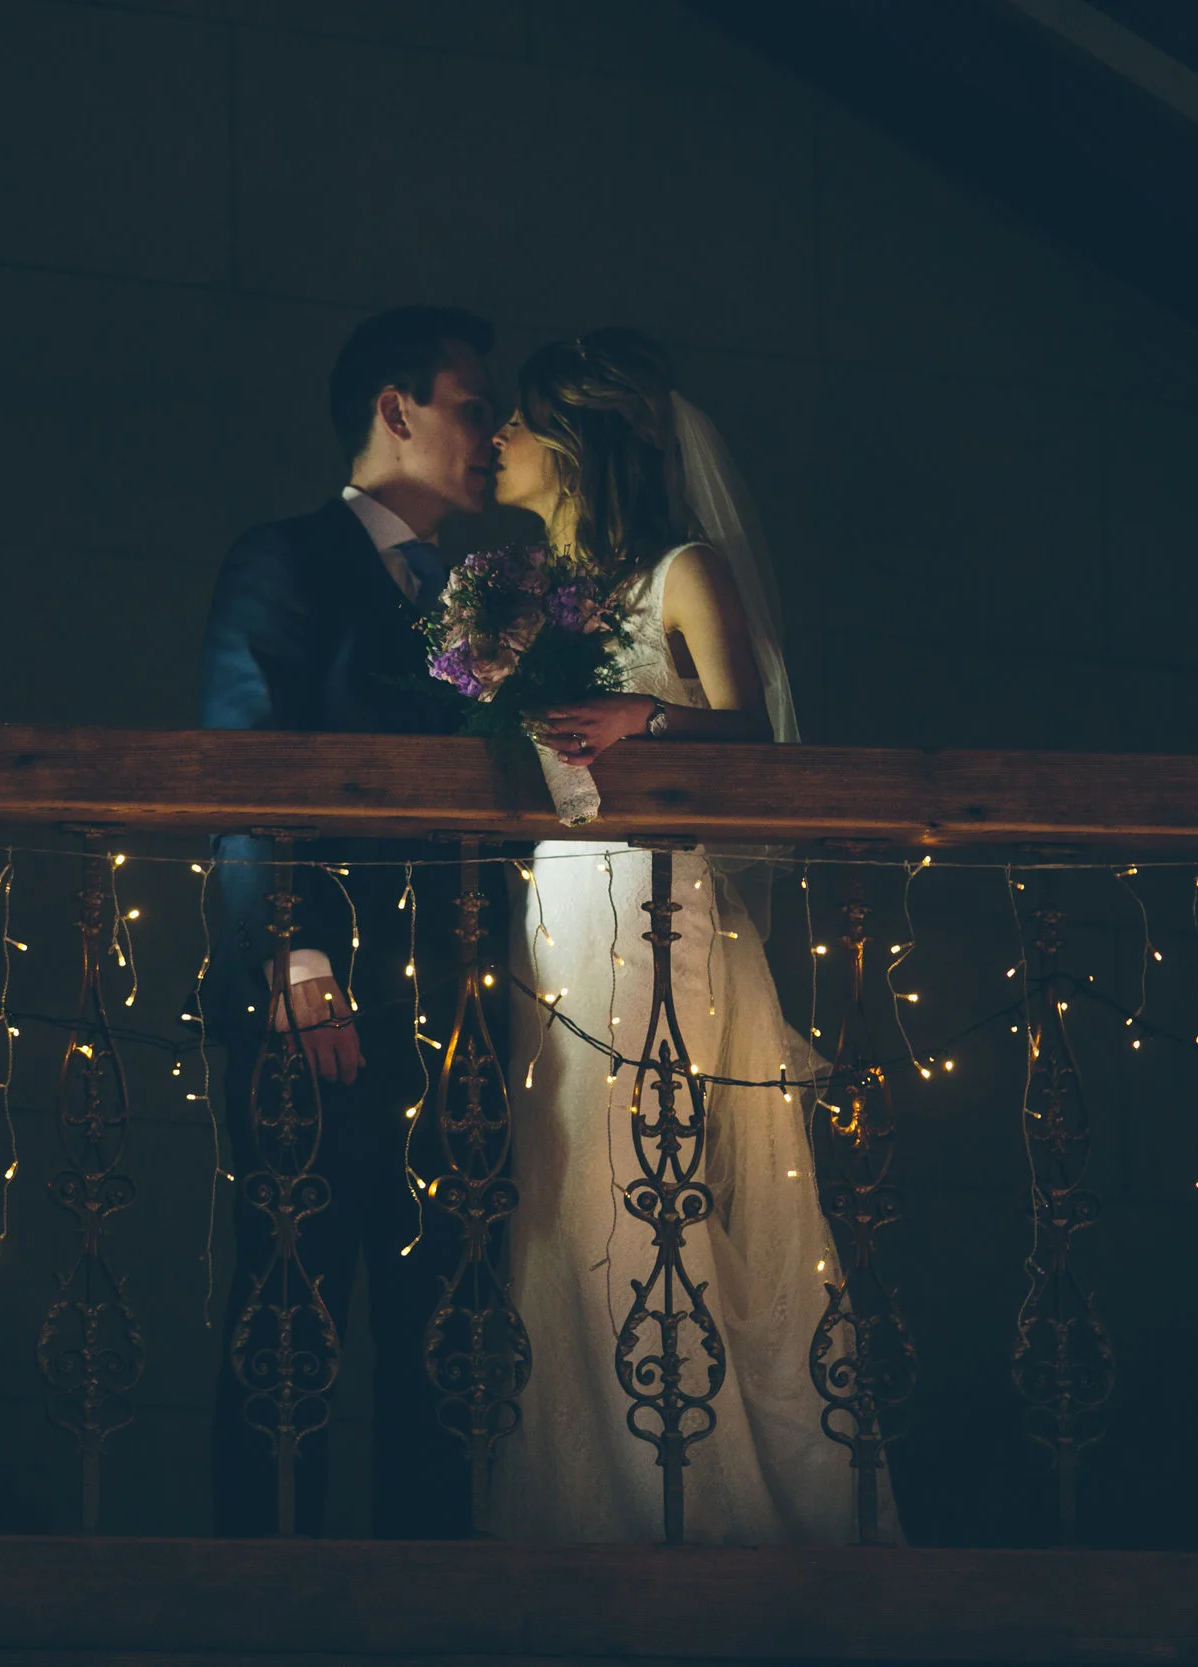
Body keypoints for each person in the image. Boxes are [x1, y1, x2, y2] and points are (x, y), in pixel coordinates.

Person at [487, 329, 898, 1544]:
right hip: (556, 896)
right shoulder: (535, 586)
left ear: (573, 443)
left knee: (644, 1180)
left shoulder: (683, 567)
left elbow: (758, 742)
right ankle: (573, 1502)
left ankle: (694, 1513)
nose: (499, 441)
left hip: (654, 900)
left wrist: (648, 719)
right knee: (559, 1187)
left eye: (519, 422)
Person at [199, 305, 501, 1537]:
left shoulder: (488, 593)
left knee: (444, 1319)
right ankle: (261, 1599)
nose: (492, 433)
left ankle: (427, 1605)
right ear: (396, 408)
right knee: (290, 1303)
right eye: (472, 405)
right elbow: (241, 747)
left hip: (459, 1004)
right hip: (312, 998)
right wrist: (294, 954)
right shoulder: (285, 557)